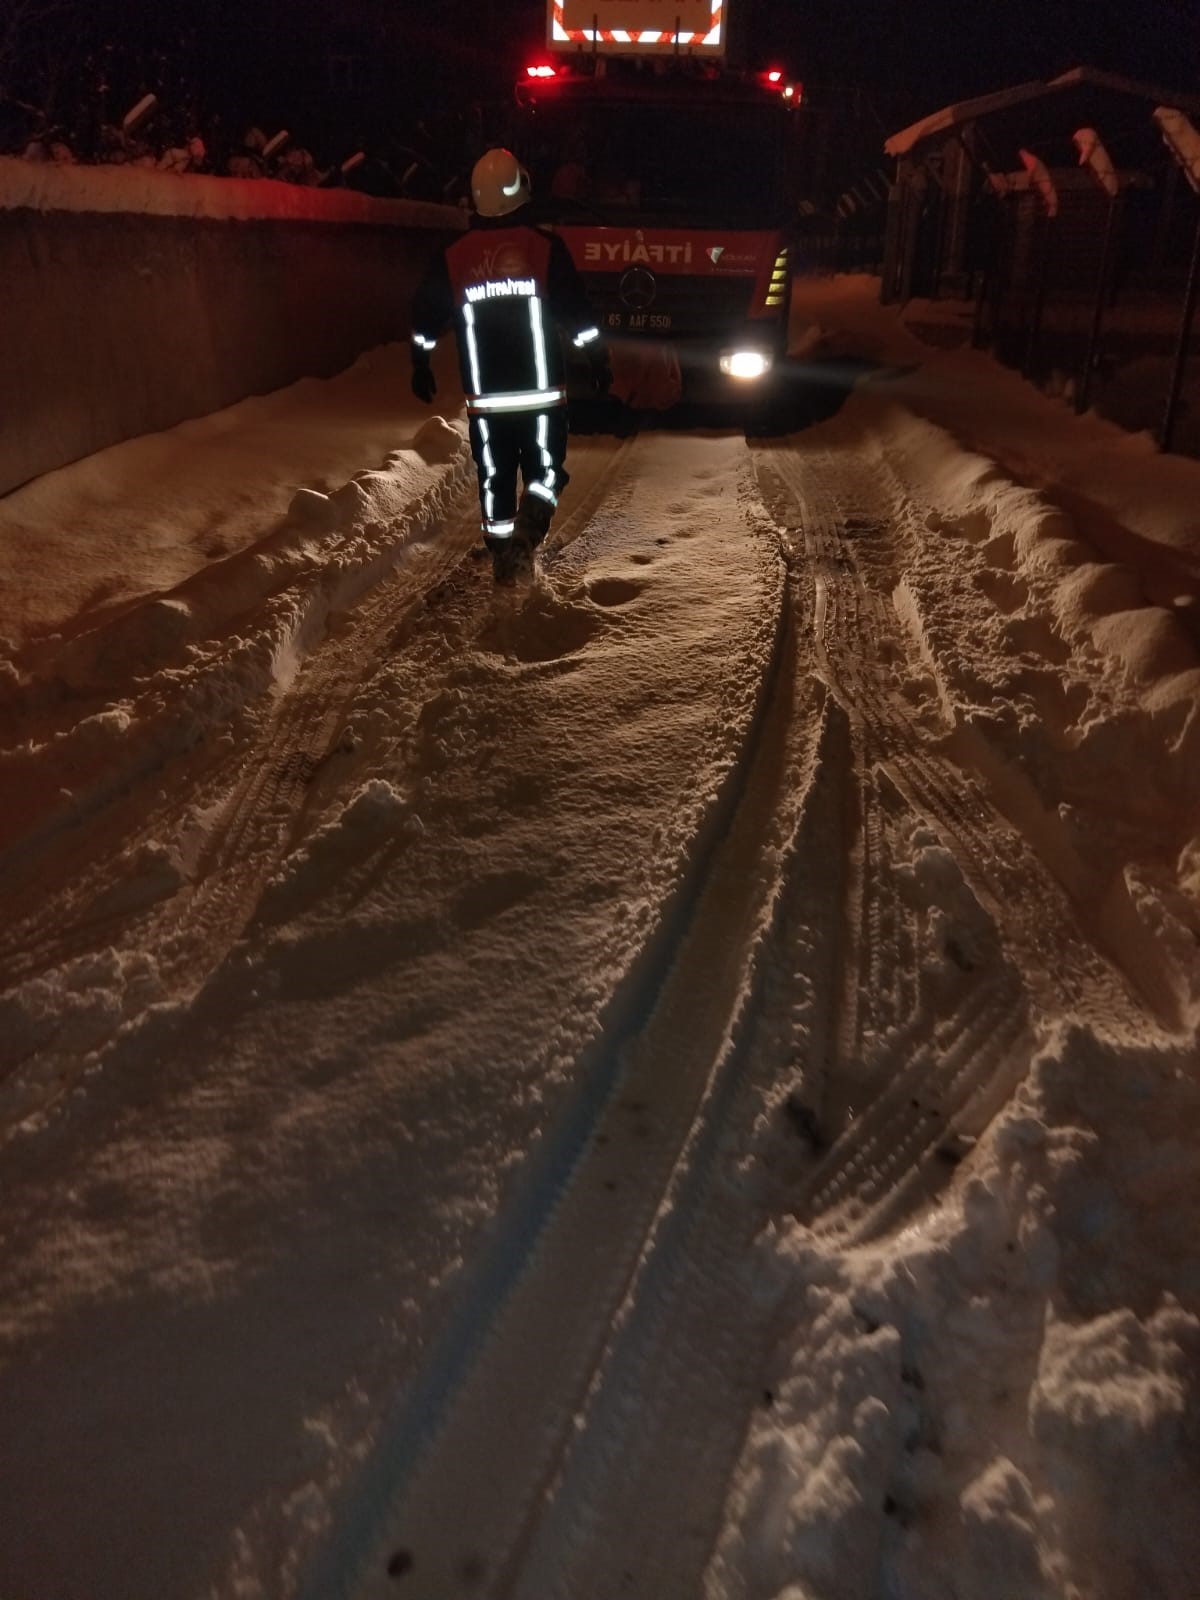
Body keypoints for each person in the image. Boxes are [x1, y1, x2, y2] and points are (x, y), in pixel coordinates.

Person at [409, 146, 611, 584]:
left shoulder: (454, 255)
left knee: (495, 475)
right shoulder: (543, 247)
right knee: (545, 471)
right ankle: (528, 531)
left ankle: (503, 551)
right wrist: (596, 357)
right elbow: (577, 314)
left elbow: (425, 316)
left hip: (485, 401)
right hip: (541, 396)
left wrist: (420, 361)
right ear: (521, 188)